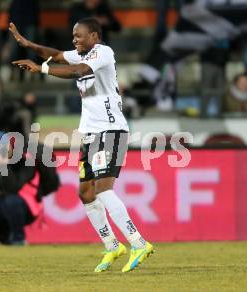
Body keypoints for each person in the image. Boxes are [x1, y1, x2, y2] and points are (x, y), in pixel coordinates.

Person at [9, 18, 153, 273]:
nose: (75, 39)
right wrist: (26, 43)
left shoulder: (103, 53)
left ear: (95, 36)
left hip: (110, 131)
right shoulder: (80, 54)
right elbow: (54, 55)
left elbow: (79, 71)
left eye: (80, 36)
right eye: (73, 36)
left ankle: (138, 242)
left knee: (104, 190)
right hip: (91, 135)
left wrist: (41, 69)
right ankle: (112, 246)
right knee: (86, 193)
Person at [0, 132, 60, 245]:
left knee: (11, 200)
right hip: (4, 205)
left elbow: (12, 188)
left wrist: (4, 164)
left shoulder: (25, 160)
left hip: (27, 208)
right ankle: (7, 240)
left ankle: (18, 239)